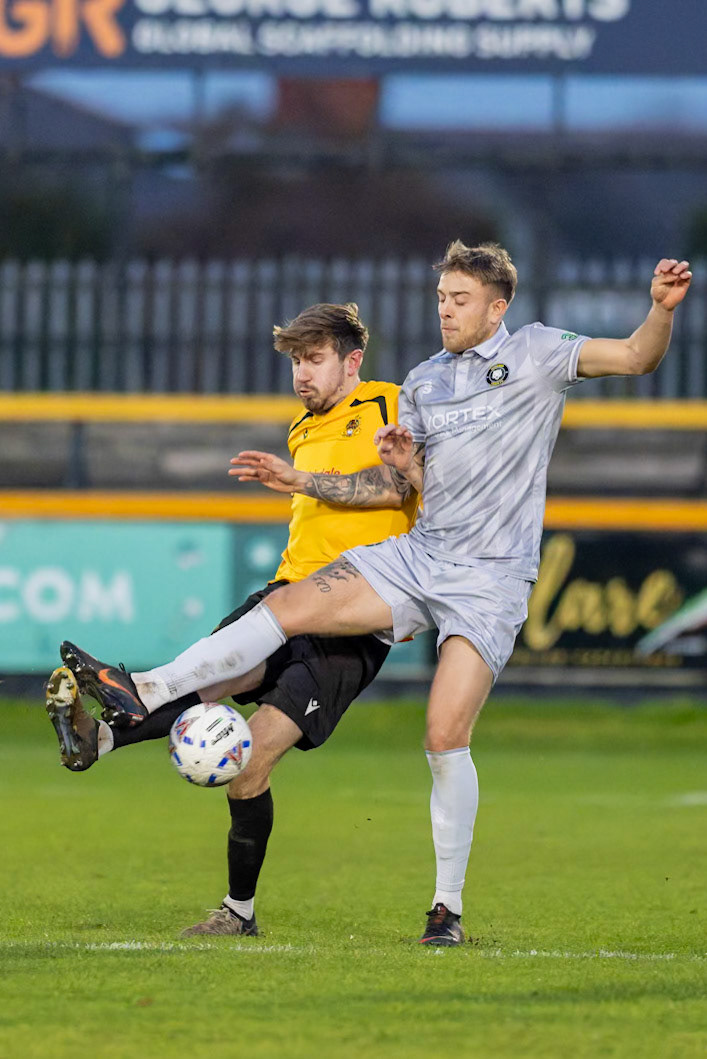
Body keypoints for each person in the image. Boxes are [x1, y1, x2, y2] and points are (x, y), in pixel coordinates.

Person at [51, 243, 692, 946]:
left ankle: (444, 909)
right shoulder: (424, 382)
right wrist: (405, 464)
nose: (445, 310)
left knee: (444, 735)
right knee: (285, 605)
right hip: (420, 556)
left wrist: (658, 311)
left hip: (490, 578)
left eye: (460, 299)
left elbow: (635, 357)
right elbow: (400, 491)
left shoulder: (539, 353)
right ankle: (143, 686)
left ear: (496, 307)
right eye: (441, 297)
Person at [46, 301, 417, 938]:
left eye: (315, 359)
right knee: (202, 682)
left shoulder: (393, 405)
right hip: (287, 594)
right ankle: (97, 739)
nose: (302, 373)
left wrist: (297, 478)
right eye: (296, 360)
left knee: (249, 767)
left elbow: (396, 489)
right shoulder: (303, 425)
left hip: (356, 616)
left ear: (352, 361)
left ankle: (237, 913)